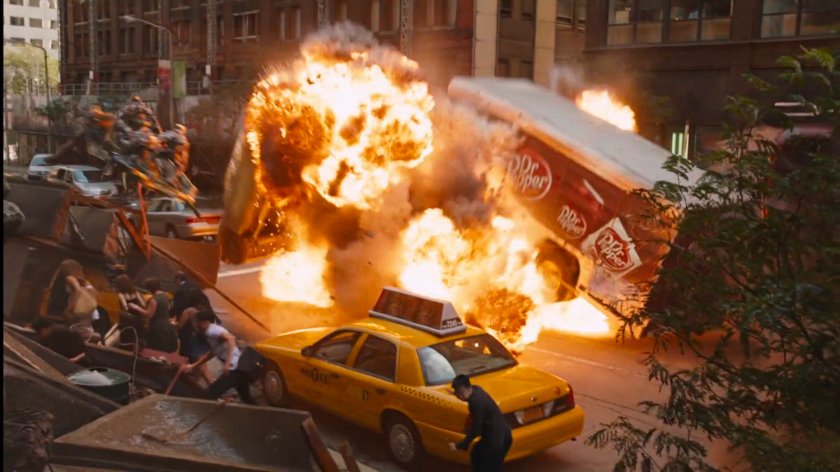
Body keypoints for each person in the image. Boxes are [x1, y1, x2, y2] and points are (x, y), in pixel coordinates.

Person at [183, 311, 254, 404]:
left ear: (205, 322)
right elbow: (212, 352)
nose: (196, 325)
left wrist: (228, 363)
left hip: (234, 369)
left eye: (198, 322)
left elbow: (231, 339)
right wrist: (193, 365)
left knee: (210, 394)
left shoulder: (211, 331)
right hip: (239, 368)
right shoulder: (210, 332)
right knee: (246, 398)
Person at [448, 375, 513, 472]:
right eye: (457, 394)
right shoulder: (477, 389)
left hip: (495, 442)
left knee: (482, 464)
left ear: (464, 389)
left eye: (460, 393)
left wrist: (459, 445)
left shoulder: (475, 403)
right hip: (505, 435)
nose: (459, 397)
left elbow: (476, 429)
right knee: (477, 455)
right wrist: (454, 393)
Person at [128, 277, 178, 353]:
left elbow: (149, 314)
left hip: (157, 327)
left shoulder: (154, 299)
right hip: (166, 325)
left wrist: (136, 307)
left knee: (155, 348)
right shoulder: (165, 295)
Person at [176, 288, 215, 385]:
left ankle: (213, 387)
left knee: (201, 365)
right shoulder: (205, 309)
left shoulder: (190, 310)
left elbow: (180, 325)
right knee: (199, 363)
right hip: (204, 339)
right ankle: (195, 383)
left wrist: (172, 324)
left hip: (194, 340)